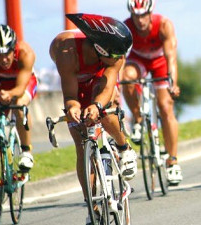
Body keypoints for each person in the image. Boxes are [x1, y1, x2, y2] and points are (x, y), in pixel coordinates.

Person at [49, 13, 137, 224]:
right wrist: (72, 109)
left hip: (99, 79)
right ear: (100, 49)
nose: (119, 59)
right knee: (81, 143)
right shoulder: (65, 50)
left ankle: (124, 148)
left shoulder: (115, 55)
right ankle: (93, 205)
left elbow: (107, 87)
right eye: (115, 56)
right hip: (75, 81)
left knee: (105, 112)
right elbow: (70, 96)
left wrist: (97, 106)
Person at [121, 0, 183, 184]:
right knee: (127, 77)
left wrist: (173, 83)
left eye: (143, 15)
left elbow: (171, 57)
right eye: (136, 16)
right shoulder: (126, 28)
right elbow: (121, 59)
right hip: (138, 60)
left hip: (160, 61)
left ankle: (172, 161)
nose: (140, 20)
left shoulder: (164, 25)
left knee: (165, 106)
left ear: (150, 13)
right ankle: (138, 119)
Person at [0, 24, 37, 206]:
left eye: (7, 54)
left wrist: (10, 94)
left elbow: (20, 88)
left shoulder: (26, 53)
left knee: (19, 104)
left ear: (14, 49)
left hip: (22, 82)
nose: (4, 59)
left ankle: (27, 151)